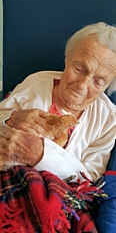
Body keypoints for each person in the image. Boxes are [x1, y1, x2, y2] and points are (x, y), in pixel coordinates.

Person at [0, 22, 116, 183]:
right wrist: (10, 120)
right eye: (79, 69)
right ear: (67, 59)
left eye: (99, 81)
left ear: (108, 86)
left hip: (60, 197)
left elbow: (90, 179)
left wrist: (42, 156)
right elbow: (1, 118)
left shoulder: (108, 119)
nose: (82, 84)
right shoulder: (36, 82)